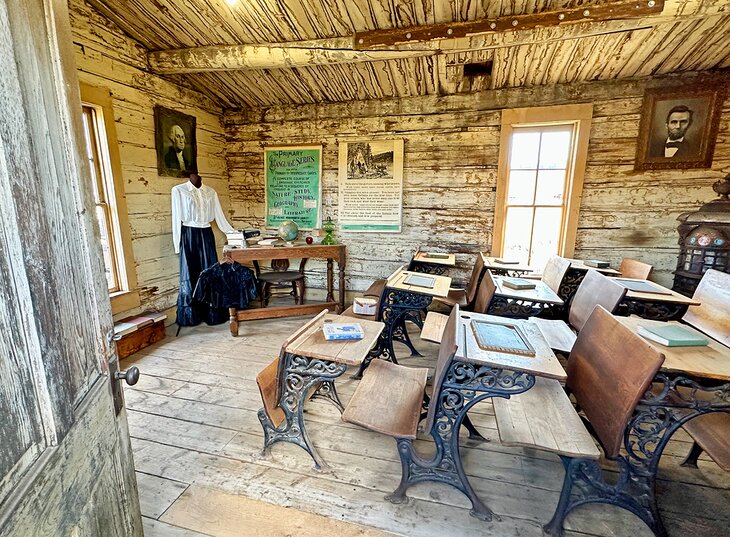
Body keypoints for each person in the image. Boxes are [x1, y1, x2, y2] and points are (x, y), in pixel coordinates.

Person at [171, 170, 237, 327]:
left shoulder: (210, 192)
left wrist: (234, 235)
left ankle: (212, 313)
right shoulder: (179, 190)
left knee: (210, 271)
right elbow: (176, 218)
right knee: (191, 272)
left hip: (206, 233)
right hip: (189, 234)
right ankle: (191, 315)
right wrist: (177, 244)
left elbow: (219, 217)